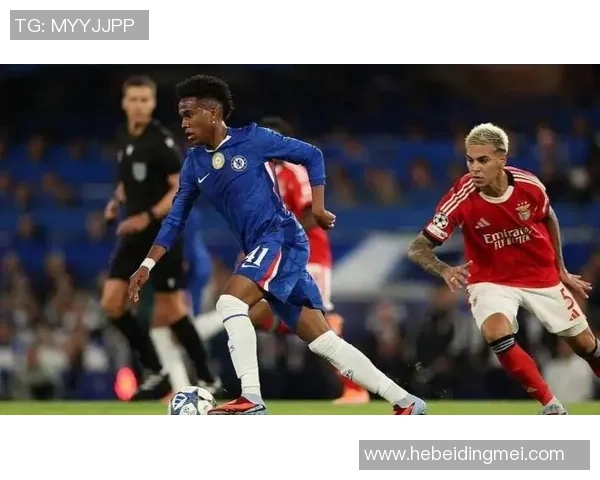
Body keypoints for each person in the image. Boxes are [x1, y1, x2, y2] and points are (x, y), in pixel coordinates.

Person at [127, 74, 427, 415]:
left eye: (189, 114)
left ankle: (251, 398)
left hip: (281, 237)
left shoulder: (254, 139)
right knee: (323, 340)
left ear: (213, 113)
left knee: (229, 302)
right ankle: (407, 401)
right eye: (181, 115)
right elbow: (175, 219)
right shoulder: (194, 164)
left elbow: (312, 155)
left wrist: (317, 207)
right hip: (267, 247)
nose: (183, 123)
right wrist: (147, 264)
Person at [407, 122, 600, 415]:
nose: (474, 168)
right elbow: (417, 248)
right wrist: (444, 269)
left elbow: (549, 216)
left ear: (502, 159)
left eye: (483, 160)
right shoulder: (460, 197)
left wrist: (560, 268)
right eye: (470, 160)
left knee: (585, 345)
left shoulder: (529, 185)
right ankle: (552, 406)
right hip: (490, 279)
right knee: (496, 332)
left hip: (539, 274)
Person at [194, 116, 369, 404]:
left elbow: (311, 214)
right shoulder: (257, 174)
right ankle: (244, 386)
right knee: (257, 317)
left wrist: (279, 238)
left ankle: (354, 387)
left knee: (310, 323)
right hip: (276, 256)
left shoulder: (294, 171)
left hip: (308, 256)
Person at [102, 75, 219, 400]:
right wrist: (116, 202)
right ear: (124, 103)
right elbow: (128, 181)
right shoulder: (124, 137)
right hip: (133, 235)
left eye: (145, 100)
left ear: (152, 104)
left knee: (171, 311)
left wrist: (147, 216)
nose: (139, 106)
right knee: (111, 303)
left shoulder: (161, 142)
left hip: (161, 236)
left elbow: (179, 188)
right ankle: (156, 370)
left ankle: (207, 377)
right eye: (134, 99)